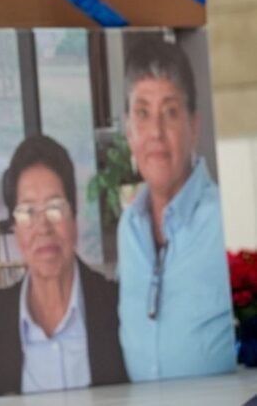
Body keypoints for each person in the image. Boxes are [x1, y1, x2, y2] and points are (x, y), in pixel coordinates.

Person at [117, 40, 234, 380]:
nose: (155, 132)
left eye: (170, 112)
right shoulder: (129, 230)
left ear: (194, 126)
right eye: (142, 113)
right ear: (128, 131)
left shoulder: (228, 223)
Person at [0, 135, 127, 395]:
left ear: (74, 218)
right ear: (16, 229)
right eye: (27, 211)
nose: (42, 227)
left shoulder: (119, 308)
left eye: (54, 207)